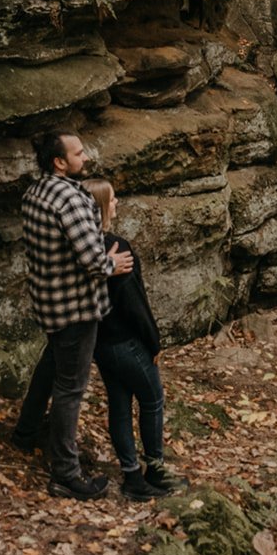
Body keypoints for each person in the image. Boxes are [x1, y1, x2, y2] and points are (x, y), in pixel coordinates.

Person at [12, 129, 133, 500]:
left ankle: (25, 432)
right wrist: (113, 262)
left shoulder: (36, 192)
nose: (86, 157)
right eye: (78, 153)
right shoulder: (71, 199)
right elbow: (94, 261)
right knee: (71, 388)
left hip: (49, 302)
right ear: (59, 162)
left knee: (51, 367)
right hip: (76, 308)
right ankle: (66, 473)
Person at [81, 177, 184, 500]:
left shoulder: (81, 252)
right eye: (112, 199)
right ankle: (154, 469)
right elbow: (134, 303)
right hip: (126, 342)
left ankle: (132, 478)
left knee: (120, 405)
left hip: (100, 343)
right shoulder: (116, 248)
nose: (117, 204)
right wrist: (153, 343)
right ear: (99, 206)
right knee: (152, 401)